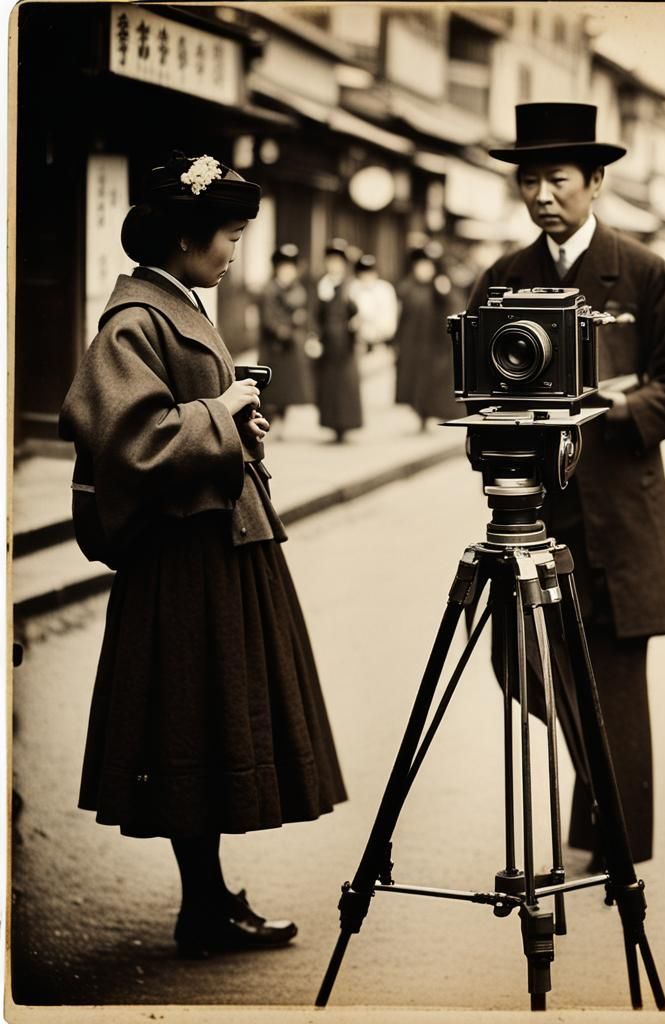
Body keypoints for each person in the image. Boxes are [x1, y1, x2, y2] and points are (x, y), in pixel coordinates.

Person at [57, 153, 346, 957]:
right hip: (184, 559)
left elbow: (177, 422)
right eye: (230, 235)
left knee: (211, 729)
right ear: (185, 238)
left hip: (216, 545)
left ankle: (208, 900)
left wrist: (232, 426)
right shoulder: (134, 320)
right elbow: (129, 439)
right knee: (194, 730)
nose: (236, 251)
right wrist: (221, 414)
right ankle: (204, 905)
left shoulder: (174, 302)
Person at [467, 102, 665, 863]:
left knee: (611, 672)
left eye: (558, 180)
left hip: (618, 509)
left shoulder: (643, 272)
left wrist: (621, 408)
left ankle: (618, 839)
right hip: (532, 508)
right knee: (519, 661)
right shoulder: (503, 276)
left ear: (597, 182)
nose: (542, 195)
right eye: (530, 181)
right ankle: (597, 797)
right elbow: (476, 387)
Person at [393, 246, 461, 431]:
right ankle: (419, 413)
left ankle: (425, 414)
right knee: (413, 382)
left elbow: (453, 310)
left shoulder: (439, 288)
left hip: (433, 345)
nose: (423, 270)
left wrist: (444, 293)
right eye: (420, 266)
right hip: (412, 345)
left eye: (427, 266)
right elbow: (401, 316)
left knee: (430, 383)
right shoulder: (407, 288)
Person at [258, 243, 316, 427]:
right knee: (271, 387)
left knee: (289, 385)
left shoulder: (298, 290)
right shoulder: (269, 290)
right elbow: (268, 319)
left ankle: (283, 419)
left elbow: (304, 315)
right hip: (274, 346)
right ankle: (267, 419)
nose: (287, 272)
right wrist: (282, 330)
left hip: (292, 346)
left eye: (291, 268)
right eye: (284, 268)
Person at [316, 238, 362, 442]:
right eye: (331, 261)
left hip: (346, 342)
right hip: (328, 341)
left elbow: (360, 311)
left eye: (338, 261)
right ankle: (332, 425)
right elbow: (316, 315)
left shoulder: (351, 286)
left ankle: (346, 425)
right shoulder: (323, 285)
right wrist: (315, 337)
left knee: (347, 383)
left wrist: (356, 323)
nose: (334, 265)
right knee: (330, 384)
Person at [348, 254, 398, 352]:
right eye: (363, 272)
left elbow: (389, 327)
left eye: (370, 271)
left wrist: (367, 320)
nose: (367, 276)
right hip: (358, 346)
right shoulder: (354, 289)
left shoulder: (385, 289)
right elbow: (351, 323)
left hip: (379, 346)